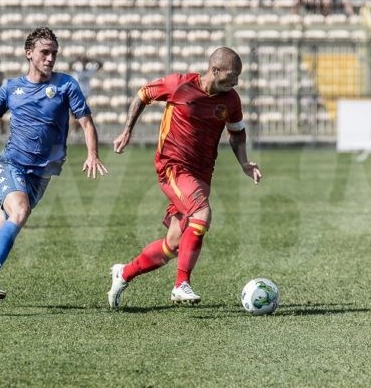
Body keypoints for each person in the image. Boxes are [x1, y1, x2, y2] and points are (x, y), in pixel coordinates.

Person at [0, 27, 108, 300]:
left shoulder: (66, 85)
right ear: (29, 53)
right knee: (20, 210)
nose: (50, 58)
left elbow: (86, 122)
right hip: (10, 164)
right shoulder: (12, 88)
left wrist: (92, 153)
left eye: (54, 53)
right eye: (44, 52)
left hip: (41, 175)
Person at [107, 47, 262, 309]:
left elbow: (236, 132)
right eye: (232, 75)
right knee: (202, 213)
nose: (236, 82)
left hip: (202, 173)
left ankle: (123, 273)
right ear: (215, 70)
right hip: (173, 166)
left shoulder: (231, 100)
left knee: (173, 244)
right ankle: (181, 284)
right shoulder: (179, 84)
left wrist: (244, 162)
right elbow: (143, 95)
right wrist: (127, 130)